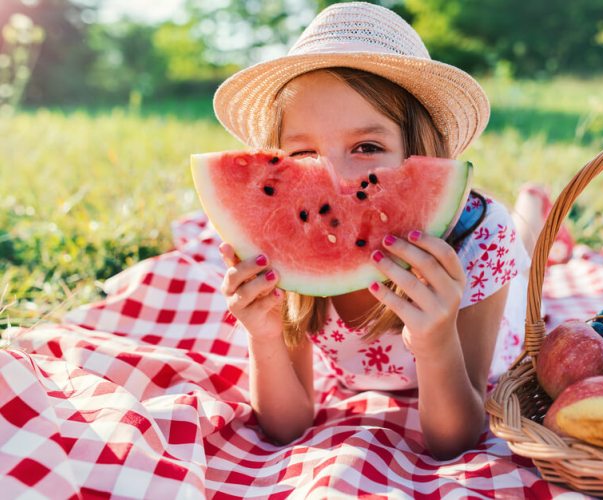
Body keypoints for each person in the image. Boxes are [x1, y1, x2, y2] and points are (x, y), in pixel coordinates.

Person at [212, 2, 568, 459]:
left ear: (419, 151)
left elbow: (454, 440)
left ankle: (532, 214)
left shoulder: (481, 241)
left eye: (366, 146)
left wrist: (437, 342)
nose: (337, 179)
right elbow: (287, 425)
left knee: (525, 249)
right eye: (303, 156)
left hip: (491, 280)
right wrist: (261, 336)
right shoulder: (278, 249)